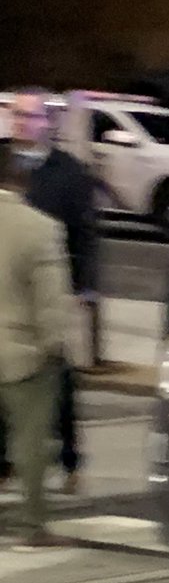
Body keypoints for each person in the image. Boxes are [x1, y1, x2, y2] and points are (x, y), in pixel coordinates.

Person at [0, 87, 97, 495]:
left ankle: (69, 458)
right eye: (18, 115)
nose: (24, 122)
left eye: (33, 116)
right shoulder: (2, 158)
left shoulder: (68, 172)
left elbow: (85, 233)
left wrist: (84, 288)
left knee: (56, 373)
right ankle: (7, 461)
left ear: (47, 123)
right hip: (7, 285)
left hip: (51, 287)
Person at [0, 152, 73, 548]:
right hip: (21, 352)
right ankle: (33, 526)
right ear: (21, 181)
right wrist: (53, 345)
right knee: (30, 443)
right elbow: (51, 301)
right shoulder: (40, 229)